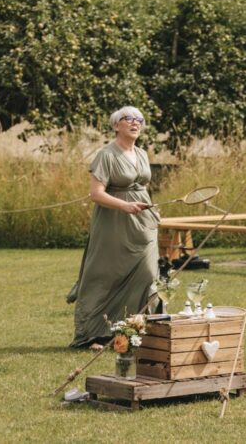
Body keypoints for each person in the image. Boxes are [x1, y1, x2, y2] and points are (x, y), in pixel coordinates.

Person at [69, 106, 159, 349]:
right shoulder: (106, 155)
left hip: (142, 223)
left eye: (139, 119)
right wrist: (124, 206)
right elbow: (96, 194)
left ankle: (137, 330)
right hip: (113, 224)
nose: (135, 122)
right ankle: (94, 335)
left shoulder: (141, 154)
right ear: (116, 125)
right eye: (128, 118)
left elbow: (141, 187)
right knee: (104, 277)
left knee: (149, 274)